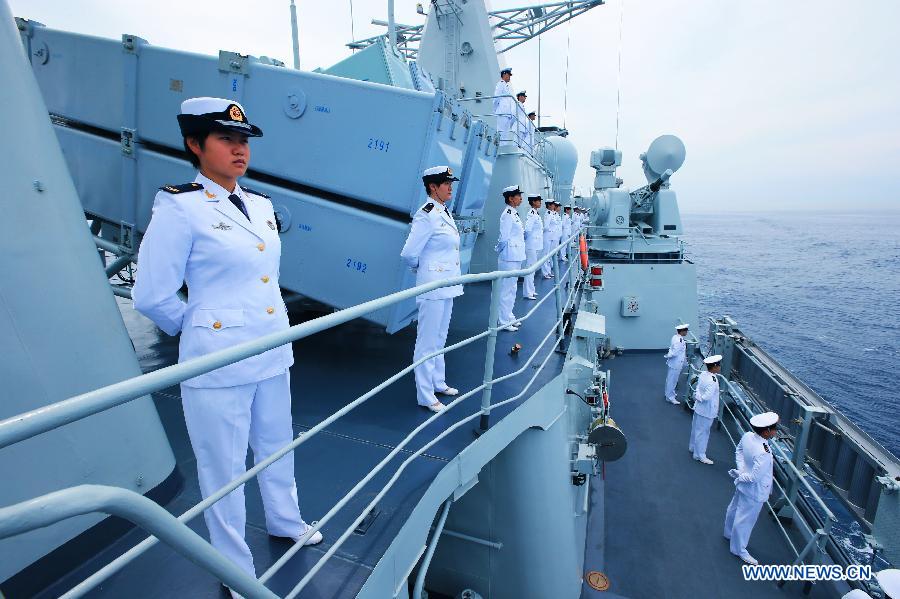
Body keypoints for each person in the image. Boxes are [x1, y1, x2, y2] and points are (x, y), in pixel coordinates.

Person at [132, 97, 322, 590]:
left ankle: (285, 521)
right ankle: (233, 566)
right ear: (195, 145)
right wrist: (202, 327)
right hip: (218, 360)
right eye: (226, 140)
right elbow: (152, 294)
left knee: (277, 444)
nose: (239, 150)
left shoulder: (257, 205)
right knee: (224, 468)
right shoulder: (180, 206)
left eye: (243, 141)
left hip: (272, 348)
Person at [400, 166, 463, 413]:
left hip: (447, 285)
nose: (450, 187)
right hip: (433, 286)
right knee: (427, 342)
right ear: (432, 187)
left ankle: (438, 382)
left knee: (439, 338)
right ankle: (425, 395)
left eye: (450, 183)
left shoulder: (442, 211)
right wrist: (424, 270)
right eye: (445, 183)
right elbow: (408, 254)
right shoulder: (426, 215)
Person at [724, 411, 779, 565]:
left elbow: (739, 451)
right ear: (767, 431)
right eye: (774, 428)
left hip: (743, 486)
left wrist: (741, 470)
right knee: (745, 520)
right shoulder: (764, 452)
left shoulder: (748, 436)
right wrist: (741, 475)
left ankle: (728, 533)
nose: (776, 431)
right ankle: (738, 549)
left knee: (734, 509)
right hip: (754, 491)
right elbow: (755, 478)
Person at [495, 185, 526, 331]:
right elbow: (504, 237)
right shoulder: (507, 214)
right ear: (510, 198)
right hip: (508, 257)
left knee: (512, 288)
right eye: (518, 195)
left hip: (516, 256)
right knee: (506, 289)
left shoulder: (514, 213)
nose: (521, 198)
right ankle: (503, 321)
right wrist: (499, 251)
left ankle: (509, 316)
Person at [690, 355, 721, 464]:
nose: (720, 367)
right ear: (715, 366)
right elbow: (707, 397)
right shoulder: (713, 380)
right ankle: (699, 455)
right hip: (707, 411)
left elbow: (698, 388)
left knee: (696, 429)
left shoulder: (703, 374)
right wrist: (700, 397)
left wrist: (697, 396)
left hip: (699, 408)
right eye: (719, 365)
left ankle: (693, 447)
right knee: (703, 432)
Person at [522, 195, 544, 300]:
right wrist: (526, 242)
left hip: (535, 245)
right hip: (531, 245)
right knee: (530, 268)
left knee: (533, 268)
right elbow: (527, 230)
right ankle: (527, 292)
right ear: (533, 202)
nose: (540, 202)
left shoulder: (536, 213)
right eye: (538, 201)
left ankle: (531, 290)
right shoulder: (531, 214)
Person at [663, 323, 689, 404]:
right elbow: (674, 353)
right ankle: (670, 397)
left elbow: (672, 348)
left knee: (670, 379)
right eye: (686, 331)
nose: (687, 332)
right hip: (676, 364)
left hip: (674, 363)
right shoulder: (680, 341)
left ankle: (669, 394)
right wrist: (668, 355)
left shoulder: (675, 337)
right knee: (673, 380)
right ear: (682, 331)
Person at [493, 68, 516, 143]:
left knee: (505, 134)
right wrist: (495, 110)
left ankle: (503, 147)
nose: (509, 77)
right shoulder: (500, 84)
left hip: (507, 113)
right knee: (501, 132)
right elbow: (496, 98)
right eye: (509, 75)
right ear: (504, 74)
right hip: (502, 112)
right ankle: (500, 147)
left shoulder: (507, 86)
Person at [541, 201, 562, 279]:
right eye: (553, 204)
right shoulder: (548, 214)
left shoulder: (552, 213)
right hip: (547, 237)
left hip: (552, 237)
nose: (554, 206)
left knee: (550, 255)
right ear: (549, 205)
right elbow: (546, 227)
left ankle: (549, 271)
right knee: (545, 255)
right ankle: (545, 272)